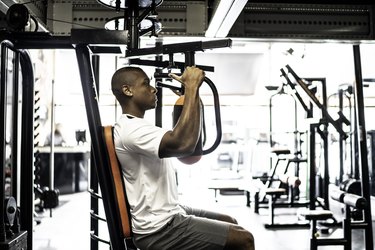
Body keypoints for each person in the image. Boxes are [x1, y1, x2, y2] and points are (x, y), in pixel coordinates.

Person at [112, 65, 255, 250]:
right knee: (245, 240)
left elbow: (181, 140)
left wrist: (190, 94)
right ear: (127, 90)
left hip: (169, 212)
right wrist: (192, 87)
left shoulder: (136, 125)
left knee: (230, 221)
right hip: (159, 228)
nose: (153, 88)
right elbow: (184, 145)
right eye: (145, 84)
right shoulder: (132, 130)